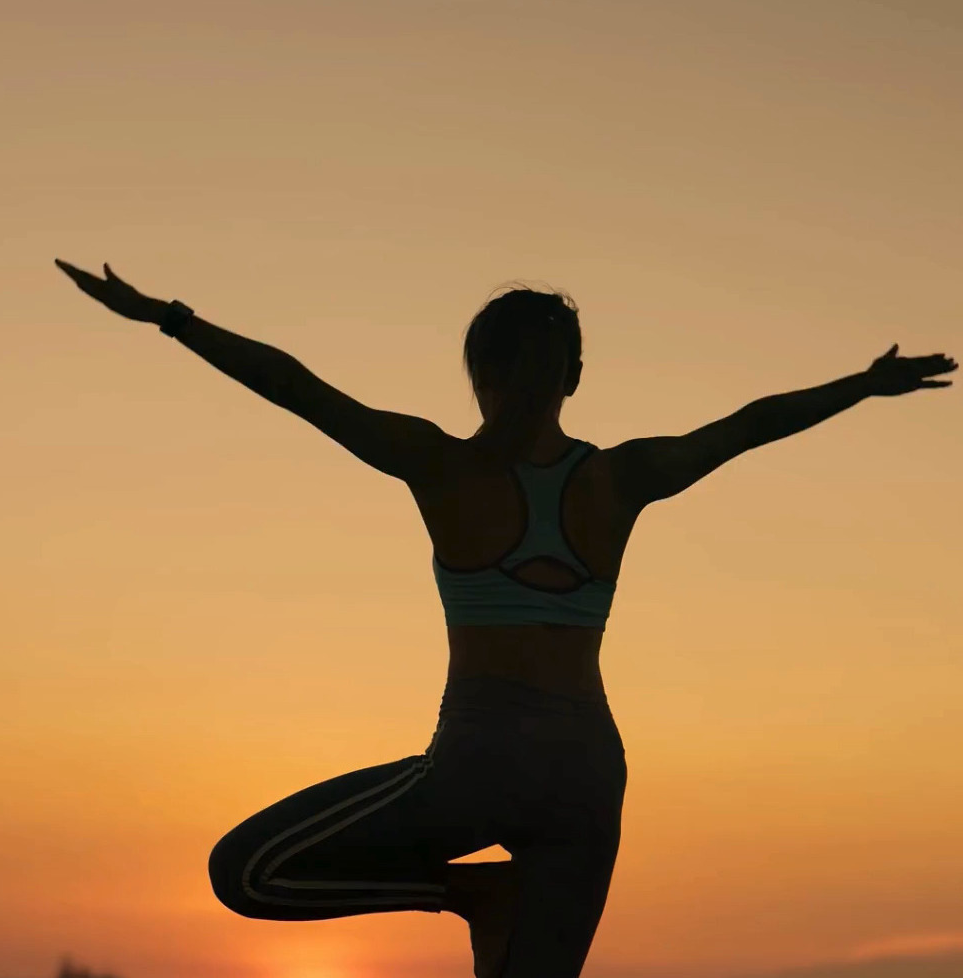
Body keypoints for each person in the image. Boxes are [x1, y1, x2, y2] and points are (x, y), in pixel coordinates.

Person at [55, 259, 956, 978]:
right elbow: (750, 424)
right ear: (573, 376)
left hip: (481, 763)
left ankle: (470, 898)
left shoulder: (439, 466)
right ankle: (485, 903)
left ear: (478, 373)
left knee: (247, 872)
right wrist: (861, 384)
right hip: (591, 779)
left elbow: (296, 387)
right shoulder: (619, 478)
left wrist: (168, 318)